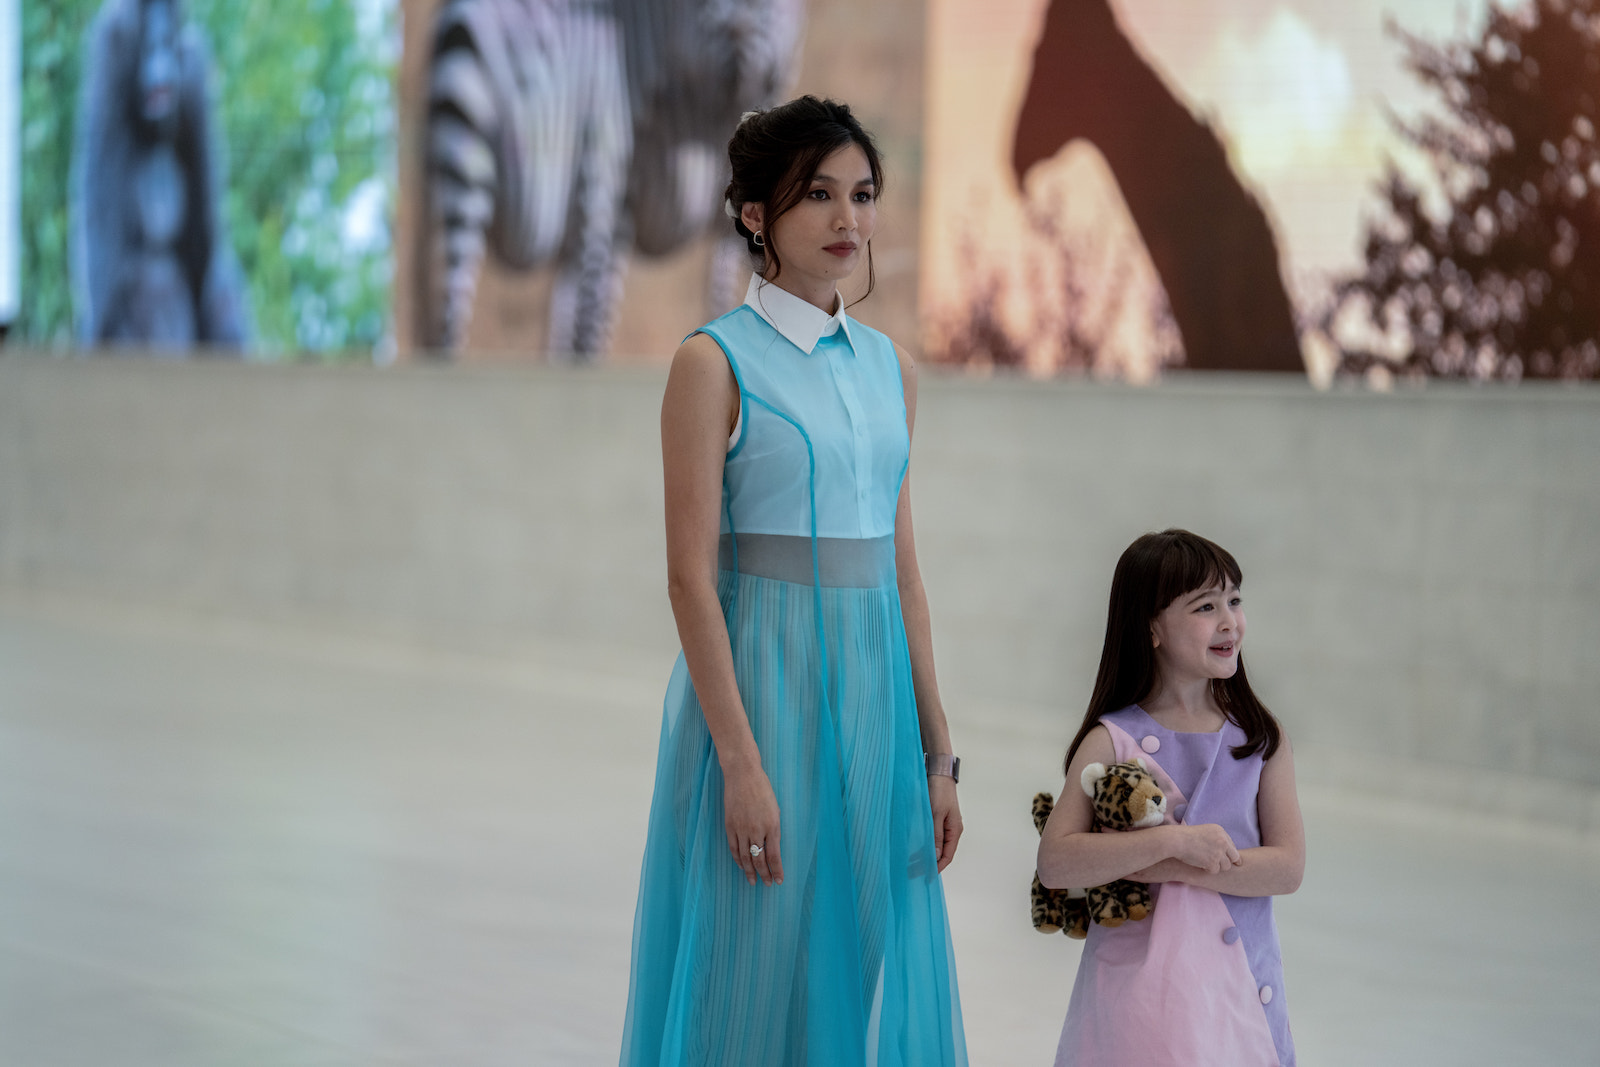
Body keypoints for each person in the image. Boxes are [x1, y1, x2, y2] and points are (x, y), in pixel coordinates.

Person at [620, 96, 968, 1067]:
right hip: (758, 705)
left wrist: (936, 755)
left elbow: (902, 572)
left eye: (860, 194)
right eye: (816, 194)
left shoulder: (888, 369)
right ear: (753, 215)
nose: (847, 219)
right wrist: (739, 762)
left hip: (872, 709)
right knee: (743, 972)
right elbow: (689, 580)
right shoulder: (711, 362)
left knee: (850, 975)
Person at [1037, 529, 1304, 1066]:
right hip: (1137, 999)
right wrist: (1178, 843)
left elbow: (1286, 867)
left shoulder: (1258, 738)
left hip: (1235, 992)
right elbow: (1057, 861)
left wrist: (1175, 865)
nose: (1229, 620)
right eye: (1205, 606)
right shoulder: (1111, 739)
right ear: (1152, 627)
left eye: (1234, 600)